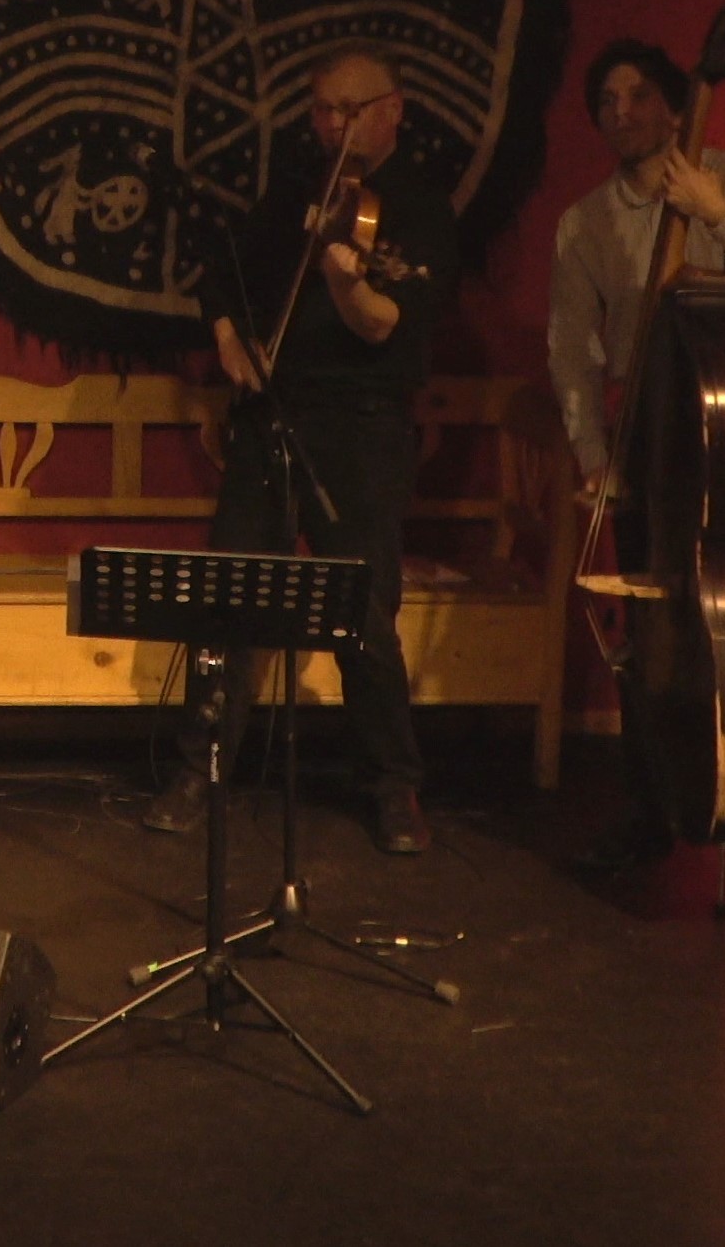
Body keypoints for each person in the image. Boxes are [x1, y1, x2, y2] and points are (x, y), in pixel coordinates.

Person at [146, 42, 458, 855]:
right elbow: (221, 274)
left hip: (361, 425)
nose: (329, 124)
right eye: (320, 110)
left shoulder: (417, 208)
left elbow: (386, 326)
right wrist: (229, 340)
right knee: (229, 592)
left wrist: (344, 279)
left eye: (346, 109)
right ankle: (200, 766)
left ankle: (391, 786)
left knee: (362, 608)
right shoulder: (295, 189)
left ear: (392, 109)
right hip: (270, 412)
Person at [551, 37, 725, 901]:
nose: (619, 114)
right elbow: (571, 354)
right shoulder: (584, 221)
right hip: (649, 437)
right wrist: (596, 459)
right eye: (604, 102)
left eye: (634, 96)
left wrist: (713, 211)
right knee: (650, 638)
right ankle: (651, 805)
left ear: (672, 105)